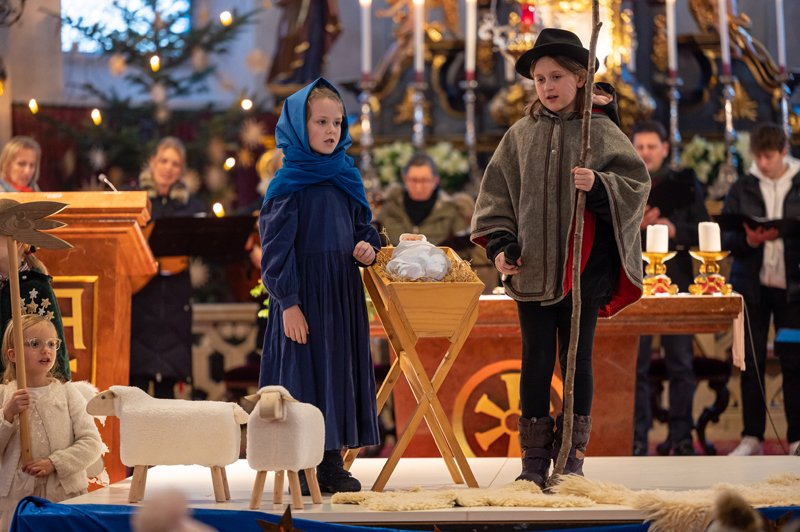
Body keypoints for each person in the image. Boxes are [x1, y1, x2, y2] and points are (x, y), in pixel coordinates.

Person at [470, 28, 650, 489]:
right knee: (534, 360)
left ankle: (571, 456)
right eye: (539, 79)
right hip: (531, 269)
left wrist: (599, 188)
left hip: (583, 270)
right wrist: (501, 247)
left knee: (576, 361)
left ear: (581, 78)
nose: (547, 87)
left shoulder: (602, 132)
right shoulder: (520, 136)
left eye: (556, 77)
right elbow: (497, 201)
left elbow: (635, 186)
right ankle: (533, 459)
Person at [258, 78, 381, 493]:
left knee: (337, 371)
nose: (332, 130)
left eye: (338, 122)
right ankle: (298, 461)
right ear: (298, 125)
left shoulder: (346, 176)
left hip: (340, 293)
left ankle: (330, 463)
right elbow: (275, 250)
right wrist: (288, 302)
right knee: (304, 375)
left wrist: (368, 247)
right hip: (304, 296)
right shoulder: (288, 184)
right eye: (321, 122)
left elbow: (366, 229)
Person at [631, 120, 709, 456]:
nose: (646, 153)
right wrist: (637, 223)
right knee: (635, 367)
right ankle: (636, 437)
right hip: (634, 285)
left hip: (677, 282)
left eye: (652, 147)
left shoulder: (683, 183)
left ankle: (680, 438)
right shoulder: (625, 182)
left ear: (665, 148)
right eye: (640, 147)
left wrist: (672, 228)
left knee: (681, 364)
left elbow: (706, 228)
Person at [722, 122, 800, 456]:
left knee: (794, 361)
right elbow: (726, 234)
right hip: (751, 286)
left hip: (793, 290)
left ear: (784, 151)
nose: (763, 163)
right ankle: (751, 436)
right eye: (758, 157)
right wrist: (748, 239)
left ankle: (797, 437)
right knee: (750, 359)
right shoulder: (743, 186)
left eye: (769, 156)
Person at [0, 313, 102, 531]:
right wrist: (7, 415)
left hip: (65, 497)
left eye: (51, 343)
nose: (46, 350)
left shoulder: (68, 394)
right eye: (35, 344)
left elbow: (91, 442)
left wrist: (55, 462)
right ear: (13, 354)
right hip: (17, 501)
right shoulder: (4, 396)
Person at [130, 137, 205, 399]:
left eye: (175, 163)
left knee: (167, 390)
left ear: (182, 170)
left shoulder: (192, 207)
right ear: (152, 162)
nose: (168, 168)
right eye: (163, 160)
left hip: (174, 301)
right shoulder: (133, 201)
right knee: (135, 385)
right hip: (140, 298)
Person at [0, 223, 70, 382]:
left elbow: (54, 345)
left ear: (16, 241)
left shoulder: (37, 288)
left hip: (28, 388)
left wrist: (58, 388)